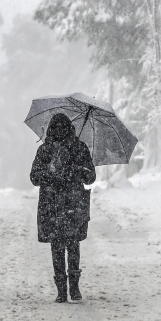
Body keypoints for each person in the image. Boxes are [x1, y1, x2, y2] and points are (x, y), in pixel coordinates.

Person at [30, 113, 96, 303]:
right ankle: (61, 290)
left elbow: (91, 176)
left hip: (73, 205)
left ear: (68, 128)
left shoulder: (79, 148)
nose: (59, 131)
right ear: (51, 130)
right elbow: (34, 177)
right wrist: (49, 173)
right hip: (51, 206)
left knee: (73, 245)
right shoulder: (45, 150)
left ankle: (74, 288)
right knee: (57, 247)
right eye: (55, 128)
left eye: (62, 128)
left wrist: (75, 169)